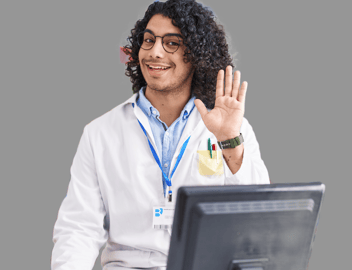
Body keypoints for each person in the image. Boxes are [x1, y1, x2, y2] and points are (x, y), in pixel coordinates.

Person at [51, 0, 270, 269]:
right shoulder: (100, 133)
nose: (154, 52)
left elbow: (258, 219)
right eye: (148, 40)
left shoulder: (231, 129)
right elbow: (78, 228)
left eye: (171, 43)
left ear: (197, 54)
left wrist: (229, 140)